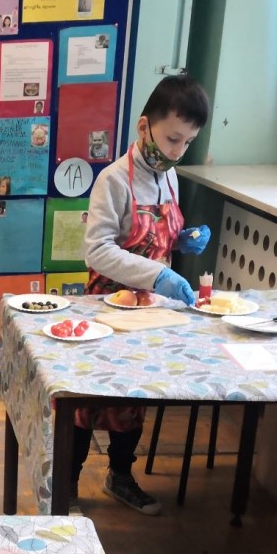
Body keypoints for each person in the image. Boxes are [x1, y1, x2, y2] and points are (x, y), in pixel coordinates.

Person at [76, 74, 213, 516]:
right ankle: (66, 487)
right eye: (172, 138)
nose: (177, 151)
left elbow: (157, 238)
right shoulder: (114, 180)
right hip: (108, 309)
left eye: (187, 143)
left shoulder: (169, 179)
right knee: (88, 404)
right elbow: (98, 250)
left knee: (133, 400)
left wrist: (182, 241)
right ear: (144, 126)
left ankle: (119, 477)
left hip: (151, 312)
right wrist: (158, 274)